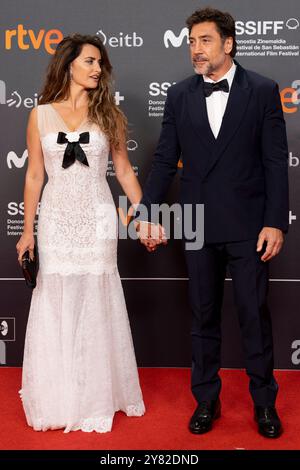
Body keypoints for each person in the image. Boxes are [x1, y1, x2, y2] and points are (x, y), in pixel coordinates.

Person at [136, 7, 289, 438]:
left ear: (228, 43)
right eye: (191, 42)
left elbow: (276, 162)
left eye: (204, 40)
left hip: (248, 226)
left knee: (253, 316)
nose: (196, 50)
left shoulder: (262, 90)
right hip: (198, 224)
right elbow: (166, 158)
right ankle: (206, 400)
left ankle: (264, 405)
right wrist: (147, 211)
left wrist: (275, 221)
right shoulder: (180, 94)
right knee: (202, 316)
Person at [16, 34, 145, 433]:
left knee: (95, 298)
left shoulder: (110, 114)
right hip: (56, 219)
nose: (96, 69)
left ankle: (94, 396)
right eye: (89, 61)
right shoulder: (40, 114)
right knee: (55, 301)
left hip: (97, 218)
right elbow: (35, 174)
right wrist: (27, 232)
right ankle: (59, 396)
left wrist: (144, 215)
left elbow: (123, 171)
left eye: (100, 64)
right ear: (68, 63)